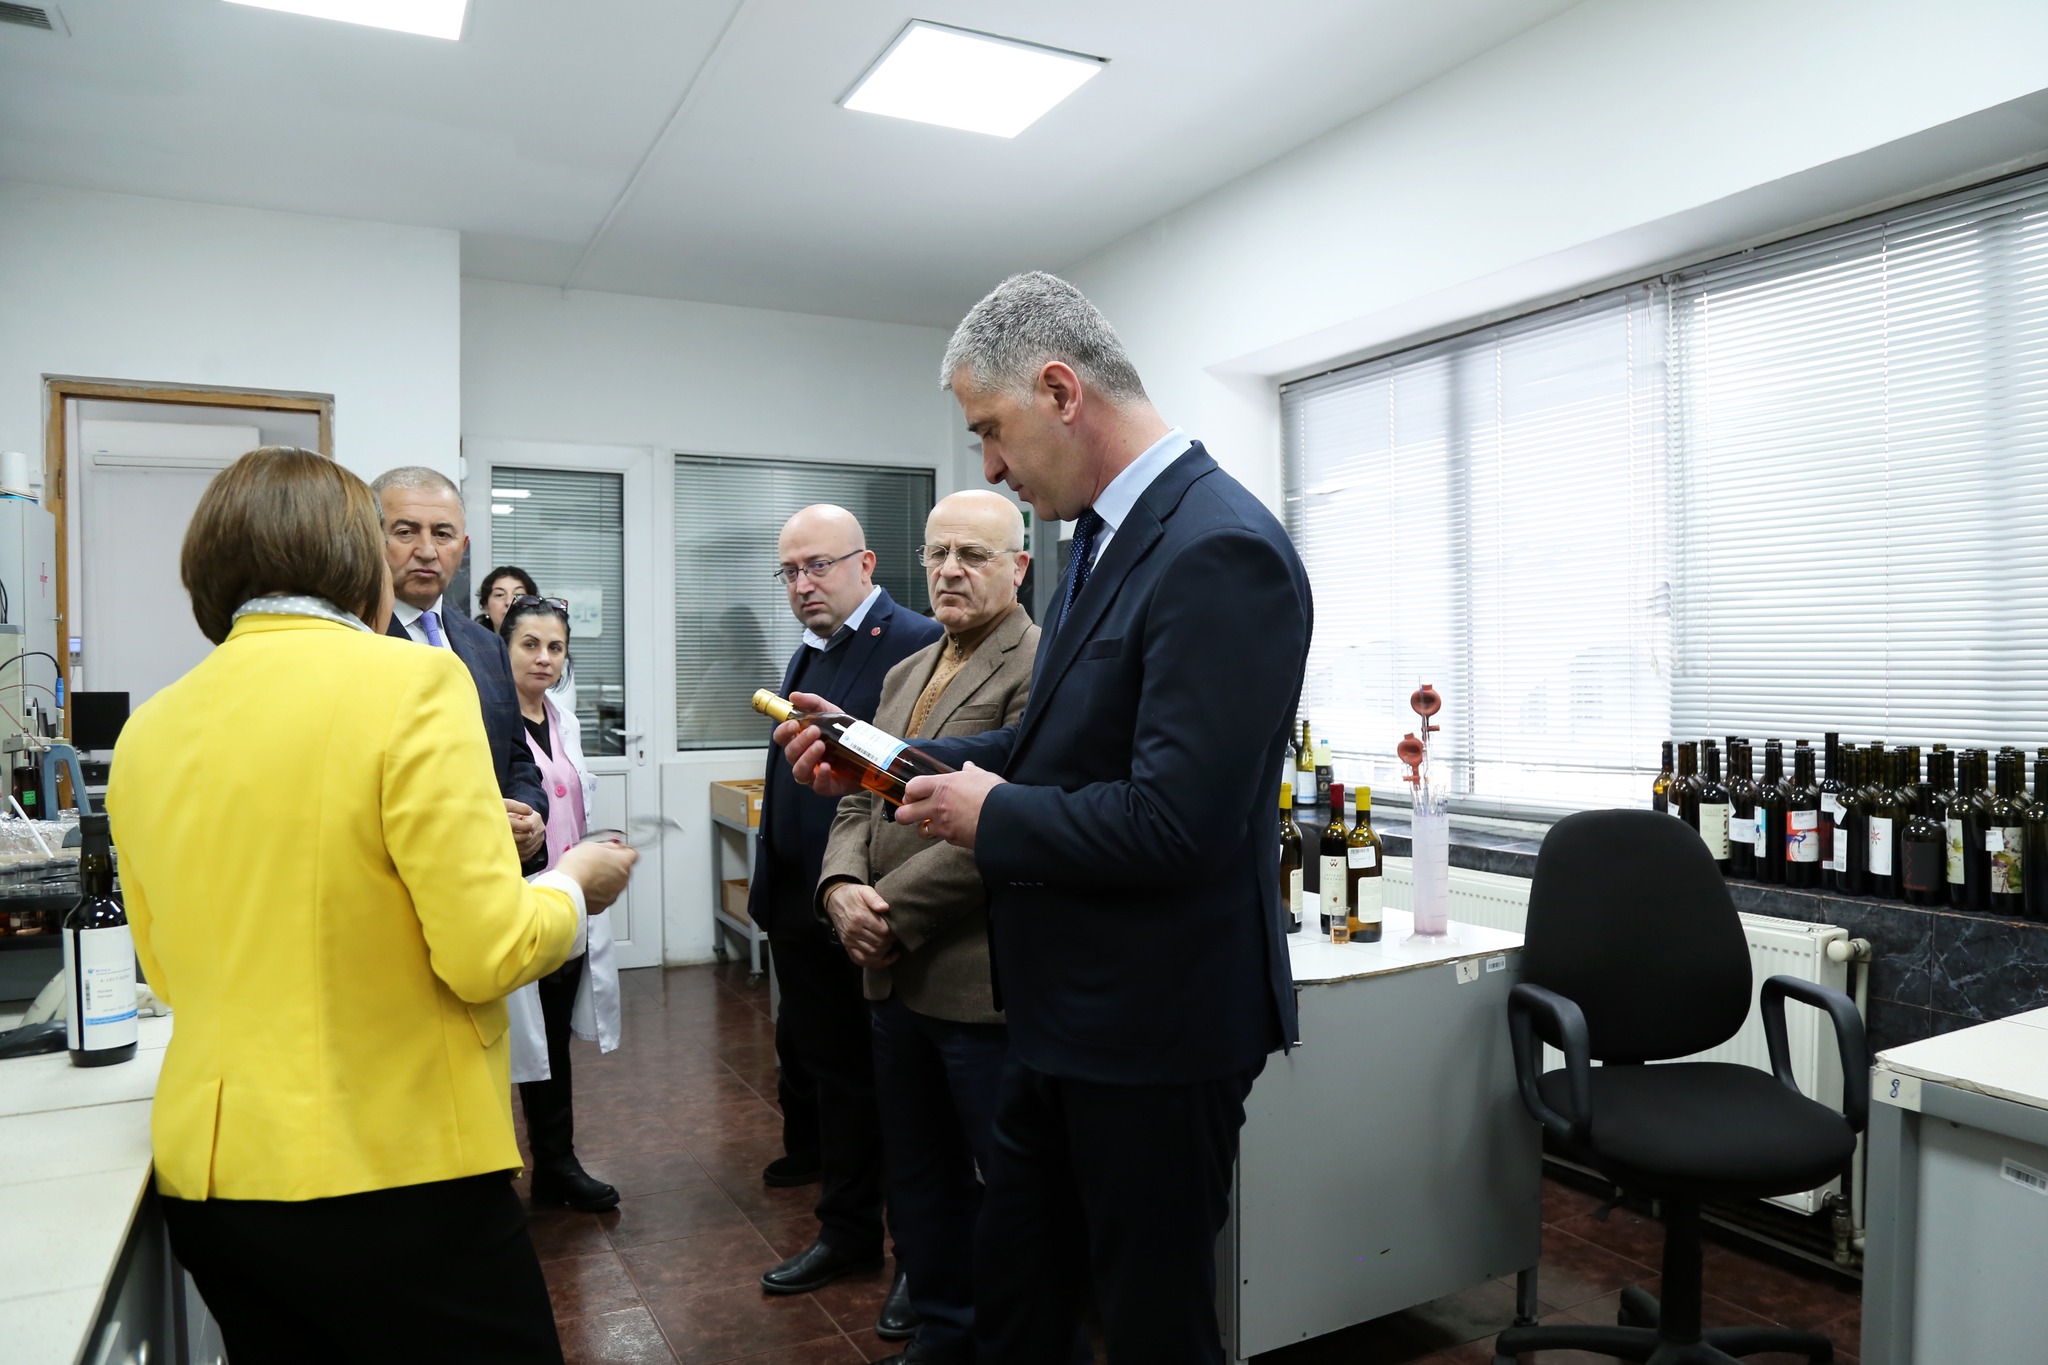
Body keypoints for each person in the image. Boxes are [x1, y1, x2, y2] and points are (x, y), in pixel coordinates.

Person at [776, 273, 1313, 1365]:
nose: (988, 466)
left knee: (1152, 1325)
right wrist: (879, 757)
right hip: (1060, 1014)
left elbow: (1177, 823)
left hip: (1155, 1027)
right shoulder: (1100, 542)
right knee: (1018, 1295)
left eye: (989, 429)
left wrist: (995, 818)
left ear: (1061, 392)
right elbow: (1046, 747)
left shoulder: (1219, 548)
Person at [107, 447, 638, 1365]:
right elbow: (485, 949)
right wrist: (571, 883)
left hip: (216, 1180)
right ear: (360, 556)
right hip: (395, 1171)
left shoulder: (149, 727)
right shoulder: (413, 683)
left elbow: (163, 967)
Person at [815, 491, 1039, 1365]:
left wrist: (891, 912)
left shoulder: (1040, 667)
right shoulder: (906, 672)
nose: (949, 570)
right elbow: (857, 797)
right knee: (918, 1179)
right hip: (891, 980)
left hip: (974, 980)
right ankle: (943, 1334)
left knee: (1007, 1188)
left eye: (973, 555)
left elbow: (1012, 821)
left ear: (1018, 567)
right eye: (937, 552)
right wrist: (841, 888)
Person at [751, 505, 942, 1319]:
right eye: (790, 571)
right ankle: (848, 1229)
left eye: (818, 566)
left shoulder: (917, 644)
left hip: (874, 903)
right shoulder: (812, 647)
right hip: (805, 904)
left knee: (901, 1092)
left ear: (866, 563)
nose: (802, 584)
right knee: (835, 1079)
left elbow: (911, 784)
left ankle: (918, 1261)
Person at [501, 595, 622, 1212]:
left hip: (566, 900)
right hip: (514, 904)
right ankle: (497, 1172)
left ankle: (556, 1164)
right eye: (530, 644)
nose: (544, 658)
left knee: (551, 1038)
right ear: (502, 647)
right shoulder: (488, 724)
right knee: (513, 1042)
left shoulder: (562, 718)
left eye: (555, 647)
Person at [372, 467, 549, 875]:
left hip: (489, 875)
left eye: (443, 534)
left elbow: (517, 756)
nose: (427, 550)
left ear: (463, 545)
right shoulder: (354, 638)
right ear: (371, 538)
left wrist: (528, 816)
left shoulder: (486, 645)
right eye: (405, 532)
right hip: (396, 877)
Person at [478, 565, 539, 631]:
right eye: (500, 595)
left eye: (519, 595)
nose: (509, 602)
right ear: (486, 607)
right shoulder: (473, 636)